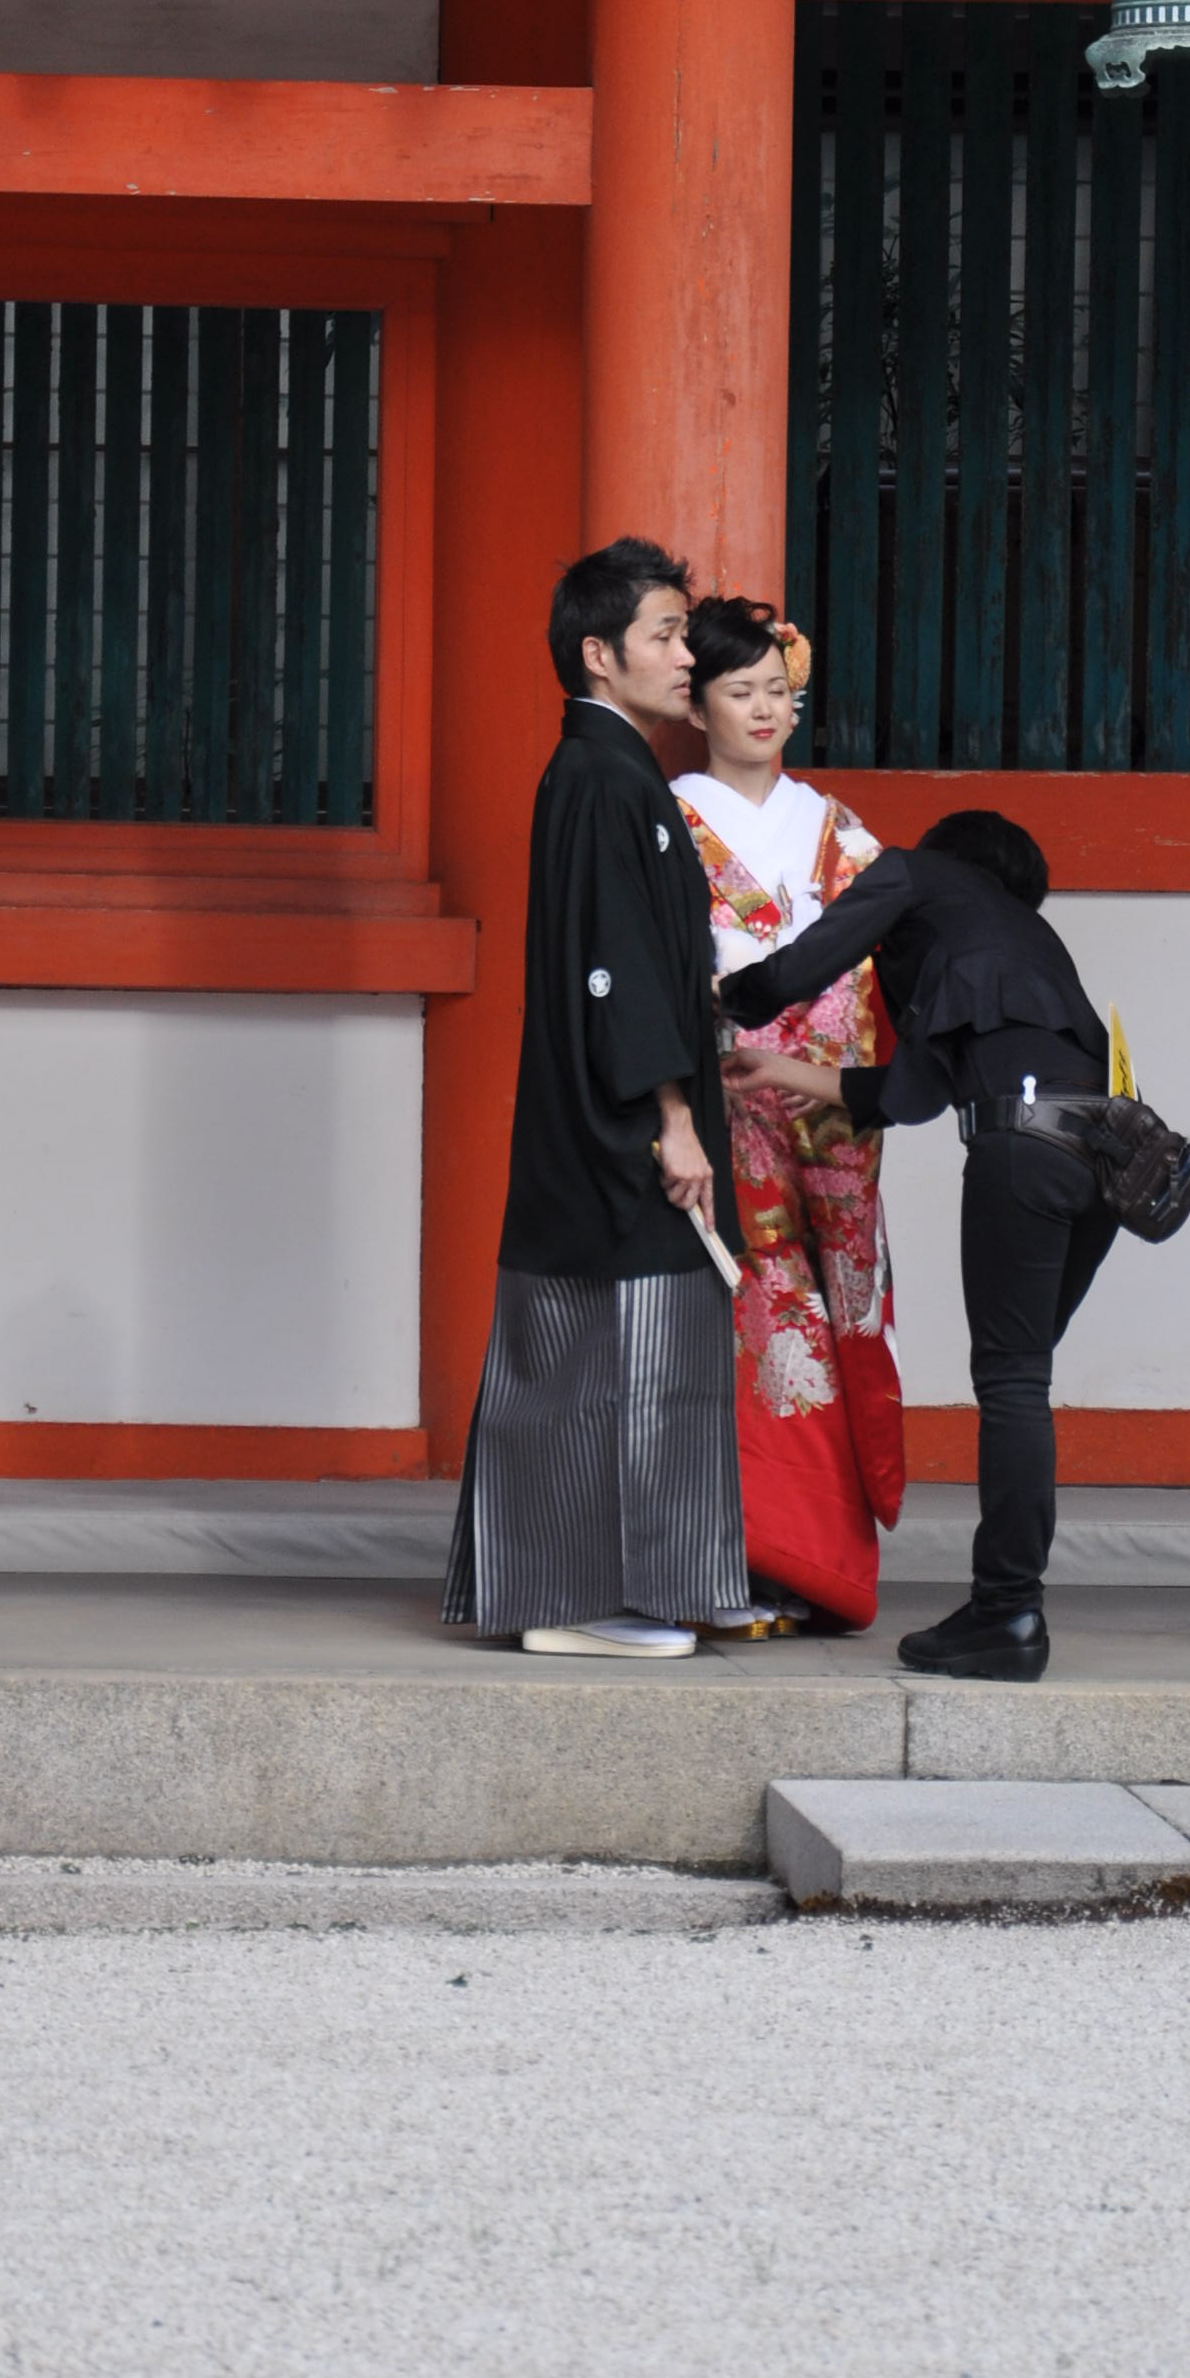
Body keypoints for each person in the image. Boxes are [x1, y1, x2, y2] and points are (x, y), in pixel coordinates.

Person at [713, 808, 1117, 1686]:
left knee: (1011, 1386)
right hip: (1109, 1159)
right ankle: (1010, 1606)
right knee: (1025, 1379)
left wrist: (718, 1003)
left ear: (944, 863)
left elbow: (802, 966)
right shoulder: (1027, 945)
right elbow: (914, 1092)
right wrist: (783, 1070)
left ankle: (1007, 1612)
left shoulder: (913, 873)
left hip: (1022, 1146)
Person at [442, 536, 750, 1661]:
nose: (687, 656)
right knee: (609, 1355)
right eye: (665, 635)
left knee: (614, 1353)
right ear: (598, 652)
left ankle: (604, 1587)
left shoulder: (614, 774)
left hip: (610, 1117)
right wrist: (671, 1117)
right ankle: (578, 1598)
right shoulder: (598, 776)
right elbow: (615, 965)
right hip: (617, 1128)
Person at [673, 593, 905, 1634]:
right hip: (732, 1107)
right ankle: (762, 1551)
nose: (765, 710)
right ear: (697, 705)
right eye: (740, 691)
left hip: (830, 1119)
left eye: (778, 690)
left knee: (840, 1317)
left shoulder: (836, 828)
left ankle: (822, 1558)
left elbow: (884, 961)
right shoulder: (672, 819)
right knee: (762, 1315)